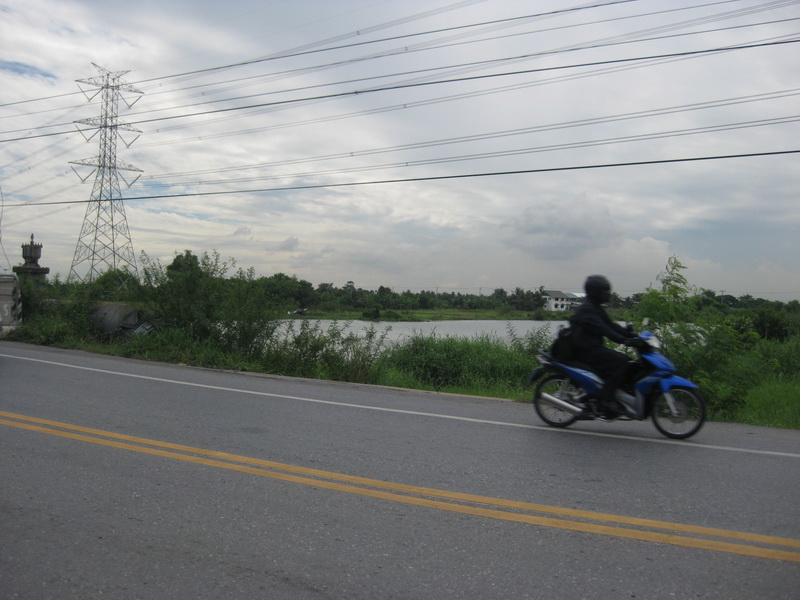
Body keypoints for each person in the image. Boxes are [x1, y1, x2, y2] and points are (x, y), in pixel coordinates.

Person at [569, 275, 643, 414]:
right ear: (595, 291)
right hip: (584, 351)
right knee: (622, 363)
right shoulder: (587, 310)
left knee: (628, 362)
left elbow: (611, 325)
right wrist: (624, 341)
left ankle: (616, 395)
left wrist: (631, 335)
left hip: (592, 348)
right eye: (605, 290)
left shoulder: (595, 307)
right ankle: (606, 400)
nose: (608, 294)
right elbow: (605, 330)